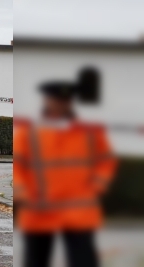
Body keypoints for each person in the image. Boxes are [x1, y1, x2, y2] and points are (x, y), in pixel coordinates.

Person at [14, 81, 117, 267]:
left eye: (66, 100)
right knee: (36, 260)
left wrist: (98, 186)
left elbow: (106, 160)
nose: (61, 104)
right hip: (39, 208)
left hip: (78, 209)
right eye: (57, 99)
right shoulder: (29, 132)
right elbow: (18, 165)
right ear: (46, 100)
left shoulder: (91, 131)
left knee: (83, 260)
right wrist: (23, 194)